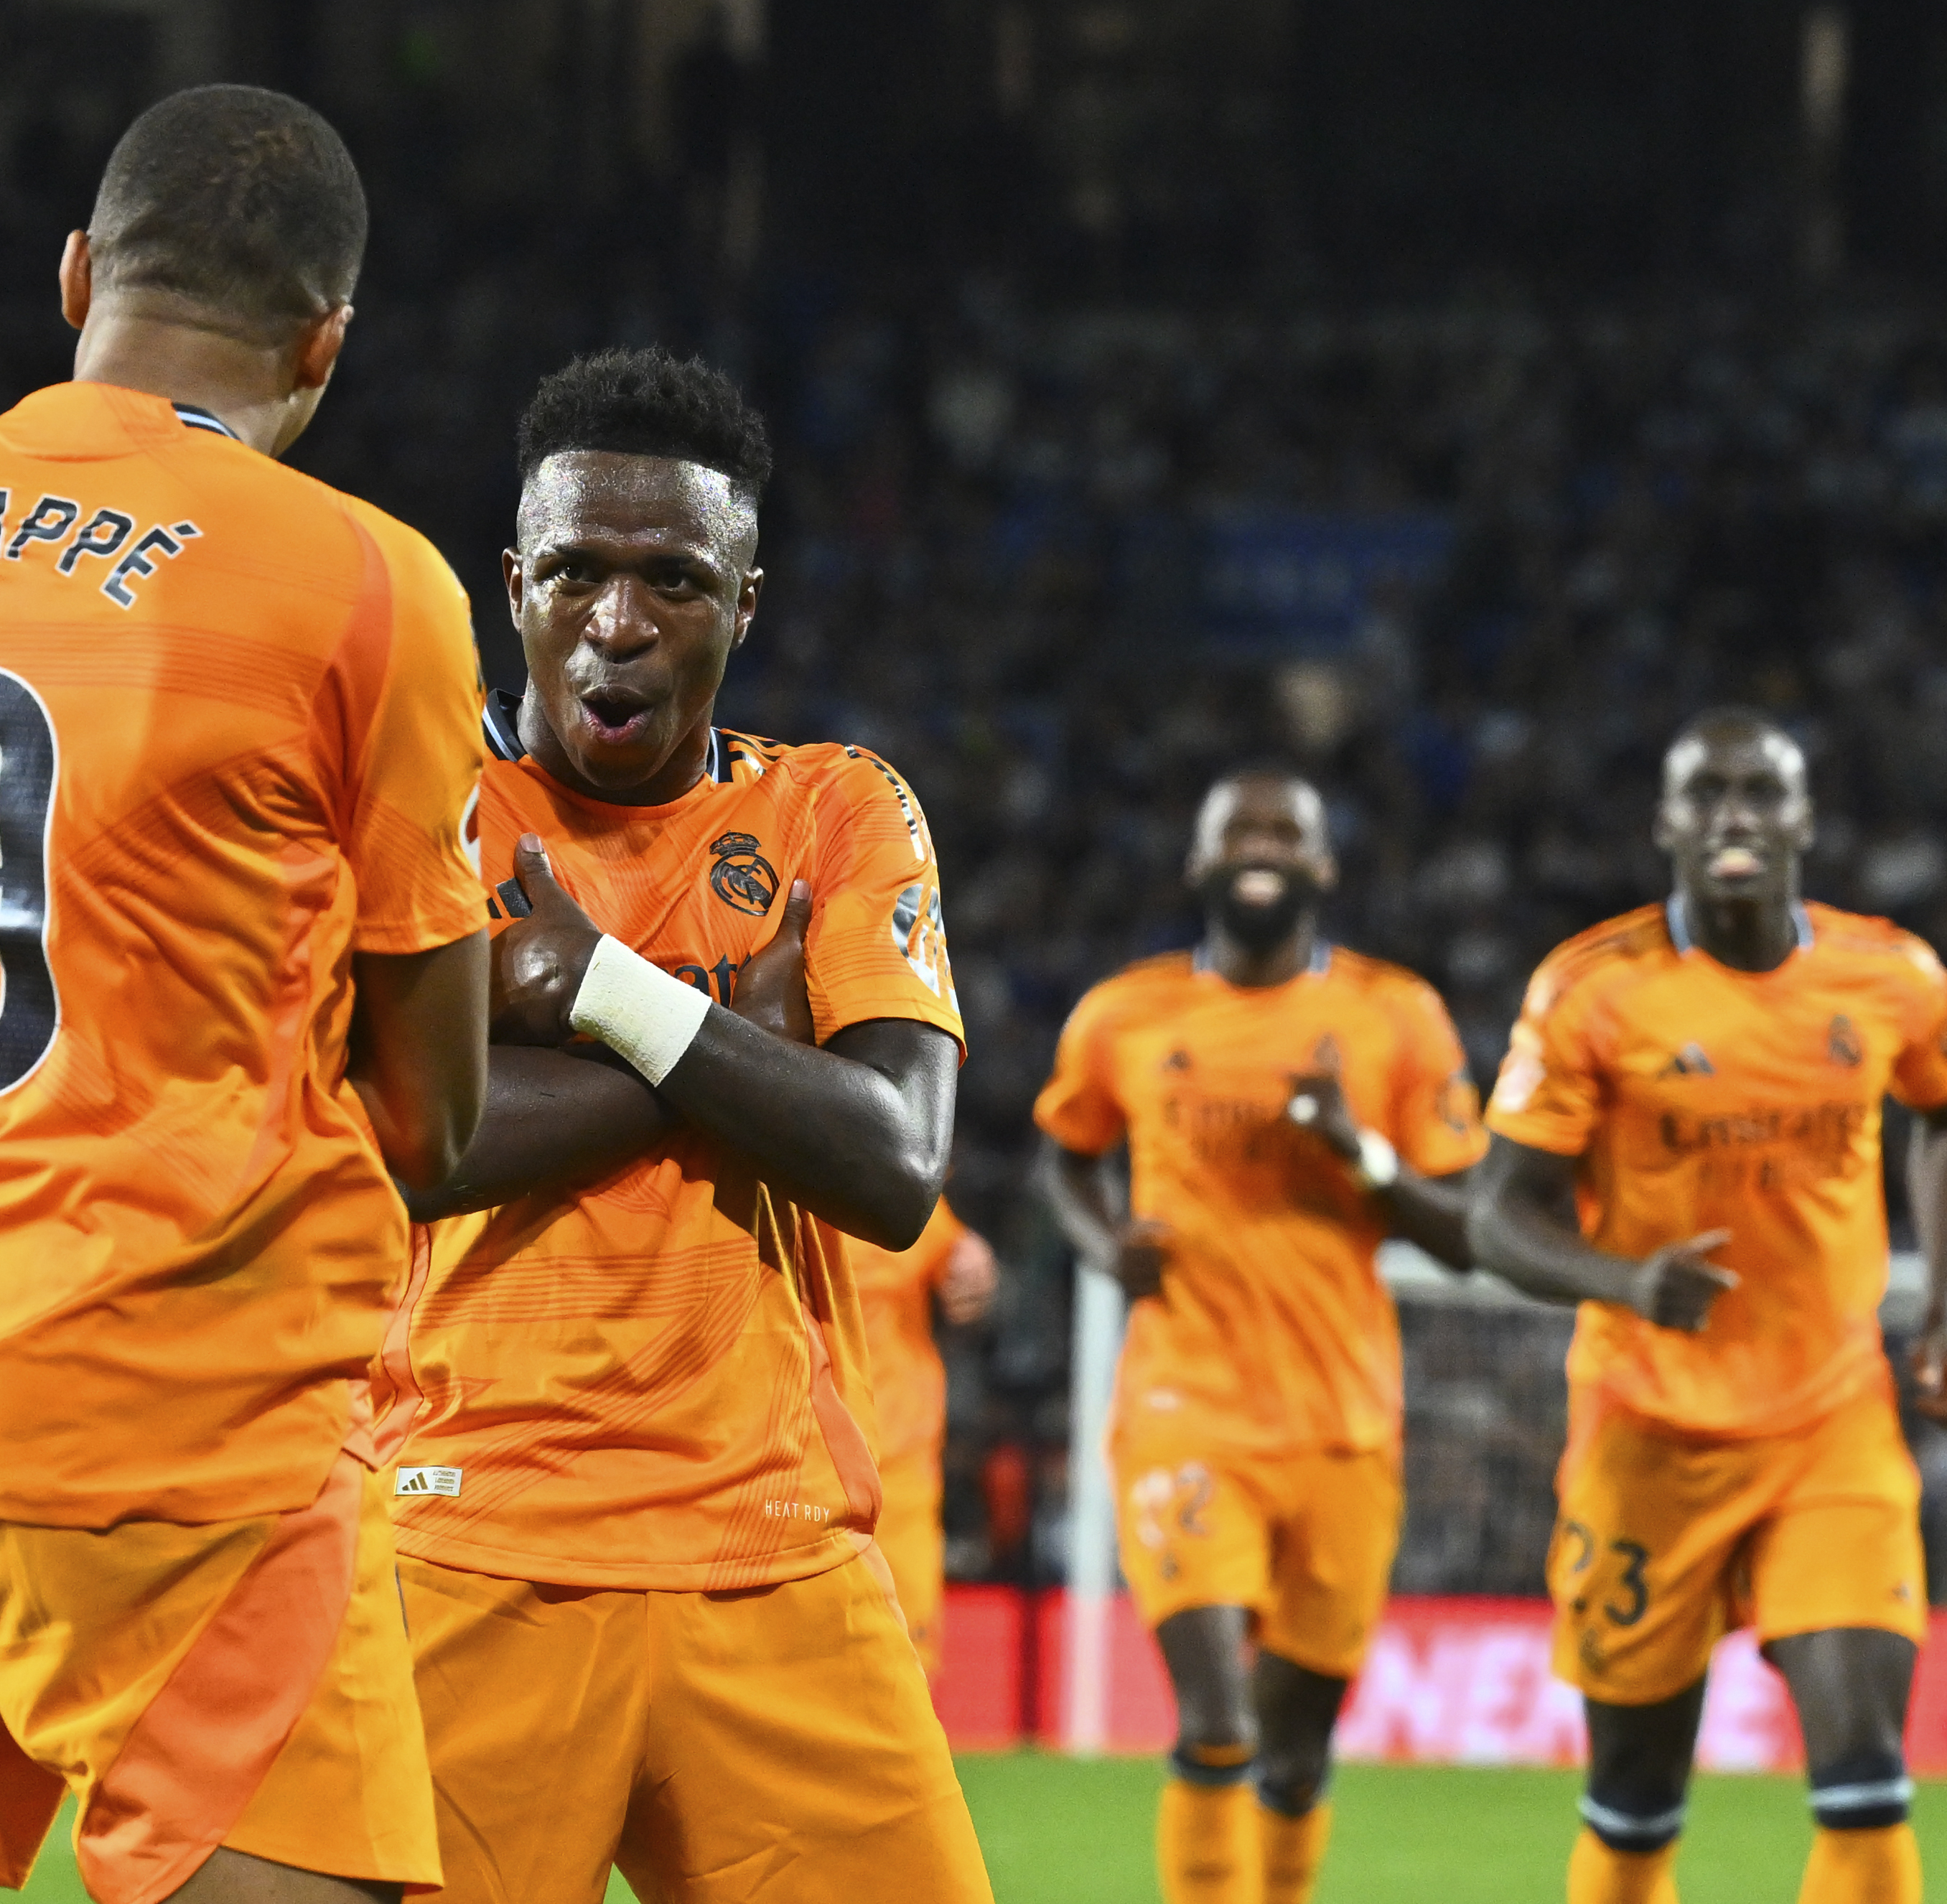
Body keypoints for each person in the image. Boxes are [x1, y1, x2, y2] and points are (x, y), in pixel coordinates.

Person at [0, 85, 492, 1904]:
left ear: (73, 276)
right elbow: (433, 1121)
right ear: (325, 341)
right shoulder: (364, 583)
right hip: (173, 1403)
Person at [376, 347, 994, 1904]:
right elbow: (421, 1140)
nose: (621, 624)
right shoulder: (426, 802)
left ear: (748, 603)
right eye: (577, 572)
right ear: (512, 585)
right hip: (467, 1542)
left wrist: (596, 992)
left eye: (676, 581)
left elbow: (892, 1164)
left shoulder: (841, 808)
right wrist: (735, 1043)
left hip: (777, 1548)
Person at [1469, 709, 1947, 1904]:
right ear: (1665, 824)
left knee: (1863, 1773)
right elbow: (1498, 1212)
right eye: (1705, 795)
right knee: (1634, 1801)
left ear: (1804, 819)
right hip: (1645, 1432)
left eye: (1760, 792)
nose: (1733, 816)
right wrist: (1626, 1282)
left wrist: (1944, 1311)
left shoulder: (1889, 976)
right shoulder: (1589, 991)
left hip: (1829, 1423)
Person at [1035, 770, 1486, 1904]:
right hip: (1184, 1412)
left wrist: (1357, 1152)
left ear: (1323, 867)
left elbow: (1468, 1227)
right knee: (1218, 1720)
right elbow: (1063, 1153)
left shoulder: (1395, 1015)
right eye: (1236, 828)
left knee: (1293, 1752)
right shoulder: (1121, 1015)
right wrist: (1100, 1244)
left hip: (1343, 1428)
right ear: (1196, 862)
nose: (1261, 845)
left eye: (1286, 830)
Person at [854, 1196, 1000, 1674]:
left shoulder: (877, 1173)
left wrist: (971, 1263)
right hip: (792, 1476)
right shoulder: (756, 1180)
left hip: (897, 1471)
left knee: (906, 1670)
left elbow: (959, 1260)